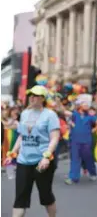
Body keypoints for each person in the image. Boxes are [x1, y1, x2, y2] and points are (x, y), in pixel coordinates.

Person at [4, 85, 60, 217]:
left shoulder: (50, 115)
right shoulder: (24, 114)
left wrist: (46, 156)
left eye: (35, 95)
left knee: (46, 195)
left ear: (42, 98)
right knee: (20, 199)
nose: (32, 98)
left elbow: (54, 138)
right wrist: (13, 153)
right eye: (31, 95)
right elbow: (22, 136)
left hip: (42, 162)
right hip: (24, 161)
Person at [62, 100, 97, 185]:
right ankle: (73, 177)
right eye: (84, 104)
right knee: (75, 159)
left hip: (86, 141)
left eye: (87, 104)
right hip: (75, 141)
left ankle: (93, 173)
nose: (86, 105)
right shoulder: (75, 114)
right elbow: (63, 112)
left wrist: (93, 129)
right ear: (80, 105)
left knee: (88, 158)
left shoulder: (90, 115)